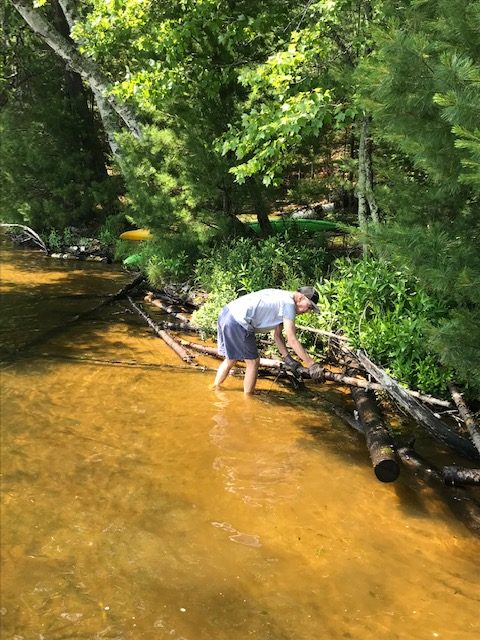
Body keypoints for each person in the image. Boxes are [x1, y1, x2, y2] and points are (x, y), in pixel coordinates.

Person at [213, 287, 324, 394]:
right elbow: (292, 339)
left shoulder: (283, 297)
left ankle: (215, 388)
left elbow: (277, 335)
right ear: (300, 297)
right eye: (309, 306)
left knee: (231, 359)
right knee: (253, 362)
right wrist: (312, 364)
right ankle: (248, 402)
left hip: (226, 313)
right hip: (238, 320)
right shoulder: (289, 305)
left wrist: (288, 358)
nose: (308, 311)